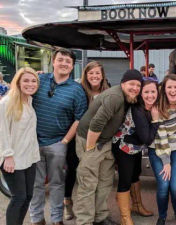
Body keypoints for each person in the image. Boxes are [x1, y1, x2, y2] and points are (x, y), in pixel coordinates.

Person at [75, 69, 142, 225]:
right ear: (123, 83)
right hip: (90, 140)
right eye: (132, 84)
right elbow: (96, 123)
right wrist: (90, 150)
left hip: (105, 141)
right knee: (88, 183)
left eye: (138, 85)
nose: (135, 88)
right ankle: (84, 221)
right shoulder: (115, 97)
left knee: (105, 181)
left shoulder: (128, 97)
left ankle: (100, 217)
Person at [29, 49, 88, 225]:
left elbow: (79, 119)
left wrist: (64, 142)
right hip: (33, 143)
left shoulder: (77, 90)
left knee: (57, 184)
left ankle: (56, 219)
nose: (64, 63)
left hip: (58, 143)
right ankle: (37, 219)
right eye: (60, 60)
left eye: (68, 61)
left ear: (72, 66)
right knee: (36, 185)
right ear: (53, 61)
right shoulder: (38, 81)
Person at [62, 61, 110, 221]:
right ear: (85, 75)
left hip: (101, 140)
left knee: (100, 179)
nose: (95, 76)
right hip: (79, 137)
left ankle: (98, 214)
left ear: (102, 75)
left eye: (97, 73)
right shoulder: (79, 90)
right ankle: (68, 202)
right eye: (91, 73)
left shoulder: (107, 91)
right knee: (76, 173)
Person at [111, 79, 159, 224]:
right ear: (140, 94)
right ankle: (125, 218)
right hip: (124, 146)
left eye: (153, 91)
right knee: (125, 180)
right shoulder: (138, 110)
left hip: (135, 148)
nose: (150, 95)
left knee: (135, 175)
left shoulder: (150, 107)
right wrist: (156, 121)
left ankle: (137, 206)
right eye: (146, 92)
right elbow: (147, 139)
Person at [0, 67, 40, 225]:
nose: (30, 84)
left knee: (28, 196)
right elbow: (1, 131)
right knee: (19, 197)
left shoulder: (28, 100)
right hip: (12, 158)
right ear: (17, 82)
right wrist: (7, 156)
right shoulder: (7, 102)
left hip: (29, 157)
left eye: (34, 80)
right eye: (26, 80)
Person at [148, 74, 176, 225]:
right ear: (163, 90)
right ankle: (162, 216)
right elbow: (161, 135)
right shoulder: (158, 108)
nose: (172, 90)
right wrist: (166, 162)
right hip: (158, 148)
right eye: (169, 87)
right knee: (164, 185)